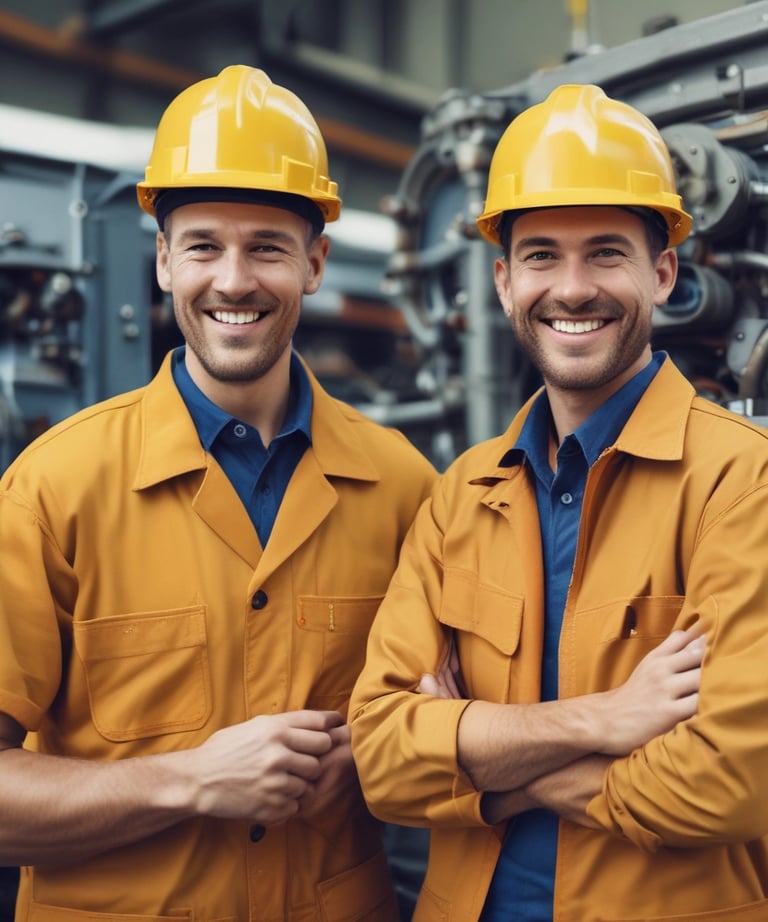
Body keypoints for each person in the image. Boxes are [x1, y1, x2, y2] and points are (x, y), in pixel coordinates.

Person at [0, 65, 436, 921]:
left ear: (314, 262)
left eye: (268, 246)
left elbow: (446, 723)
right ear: (163, 261)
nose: (233, 280)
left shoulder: (404, 488)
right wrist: (190, 781)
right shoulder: (55, 488)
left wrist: (380, 748)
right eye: (203, 245)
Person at [349, 84, 768, 921]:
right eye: (541, 255)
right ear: (504, 282)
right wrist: (606, 720)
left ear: (663, 272)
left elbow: (729, 782)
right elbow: (385, 762)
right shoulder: (459, 494)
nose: (572, 289)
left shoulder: (740, 481)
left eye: (606, 253)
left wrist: (486, 769)